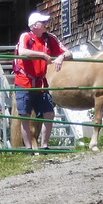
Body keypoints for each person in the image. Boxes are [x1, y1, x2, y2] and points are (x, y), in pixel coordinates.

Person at [13, 11, 67, 149]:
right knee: (25, 115)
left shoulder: (50, 38)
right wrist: (42, 55)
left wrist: (61, 57)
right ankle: (28, 148)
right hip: (24, 81)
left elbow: (68, 52)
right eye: (43, 23)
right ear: (35, 25)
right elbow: (22, 52)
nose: (45, 25)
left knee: (49, 113)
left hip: (40, 83)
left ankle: (44, 146)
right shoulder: (26, 36)